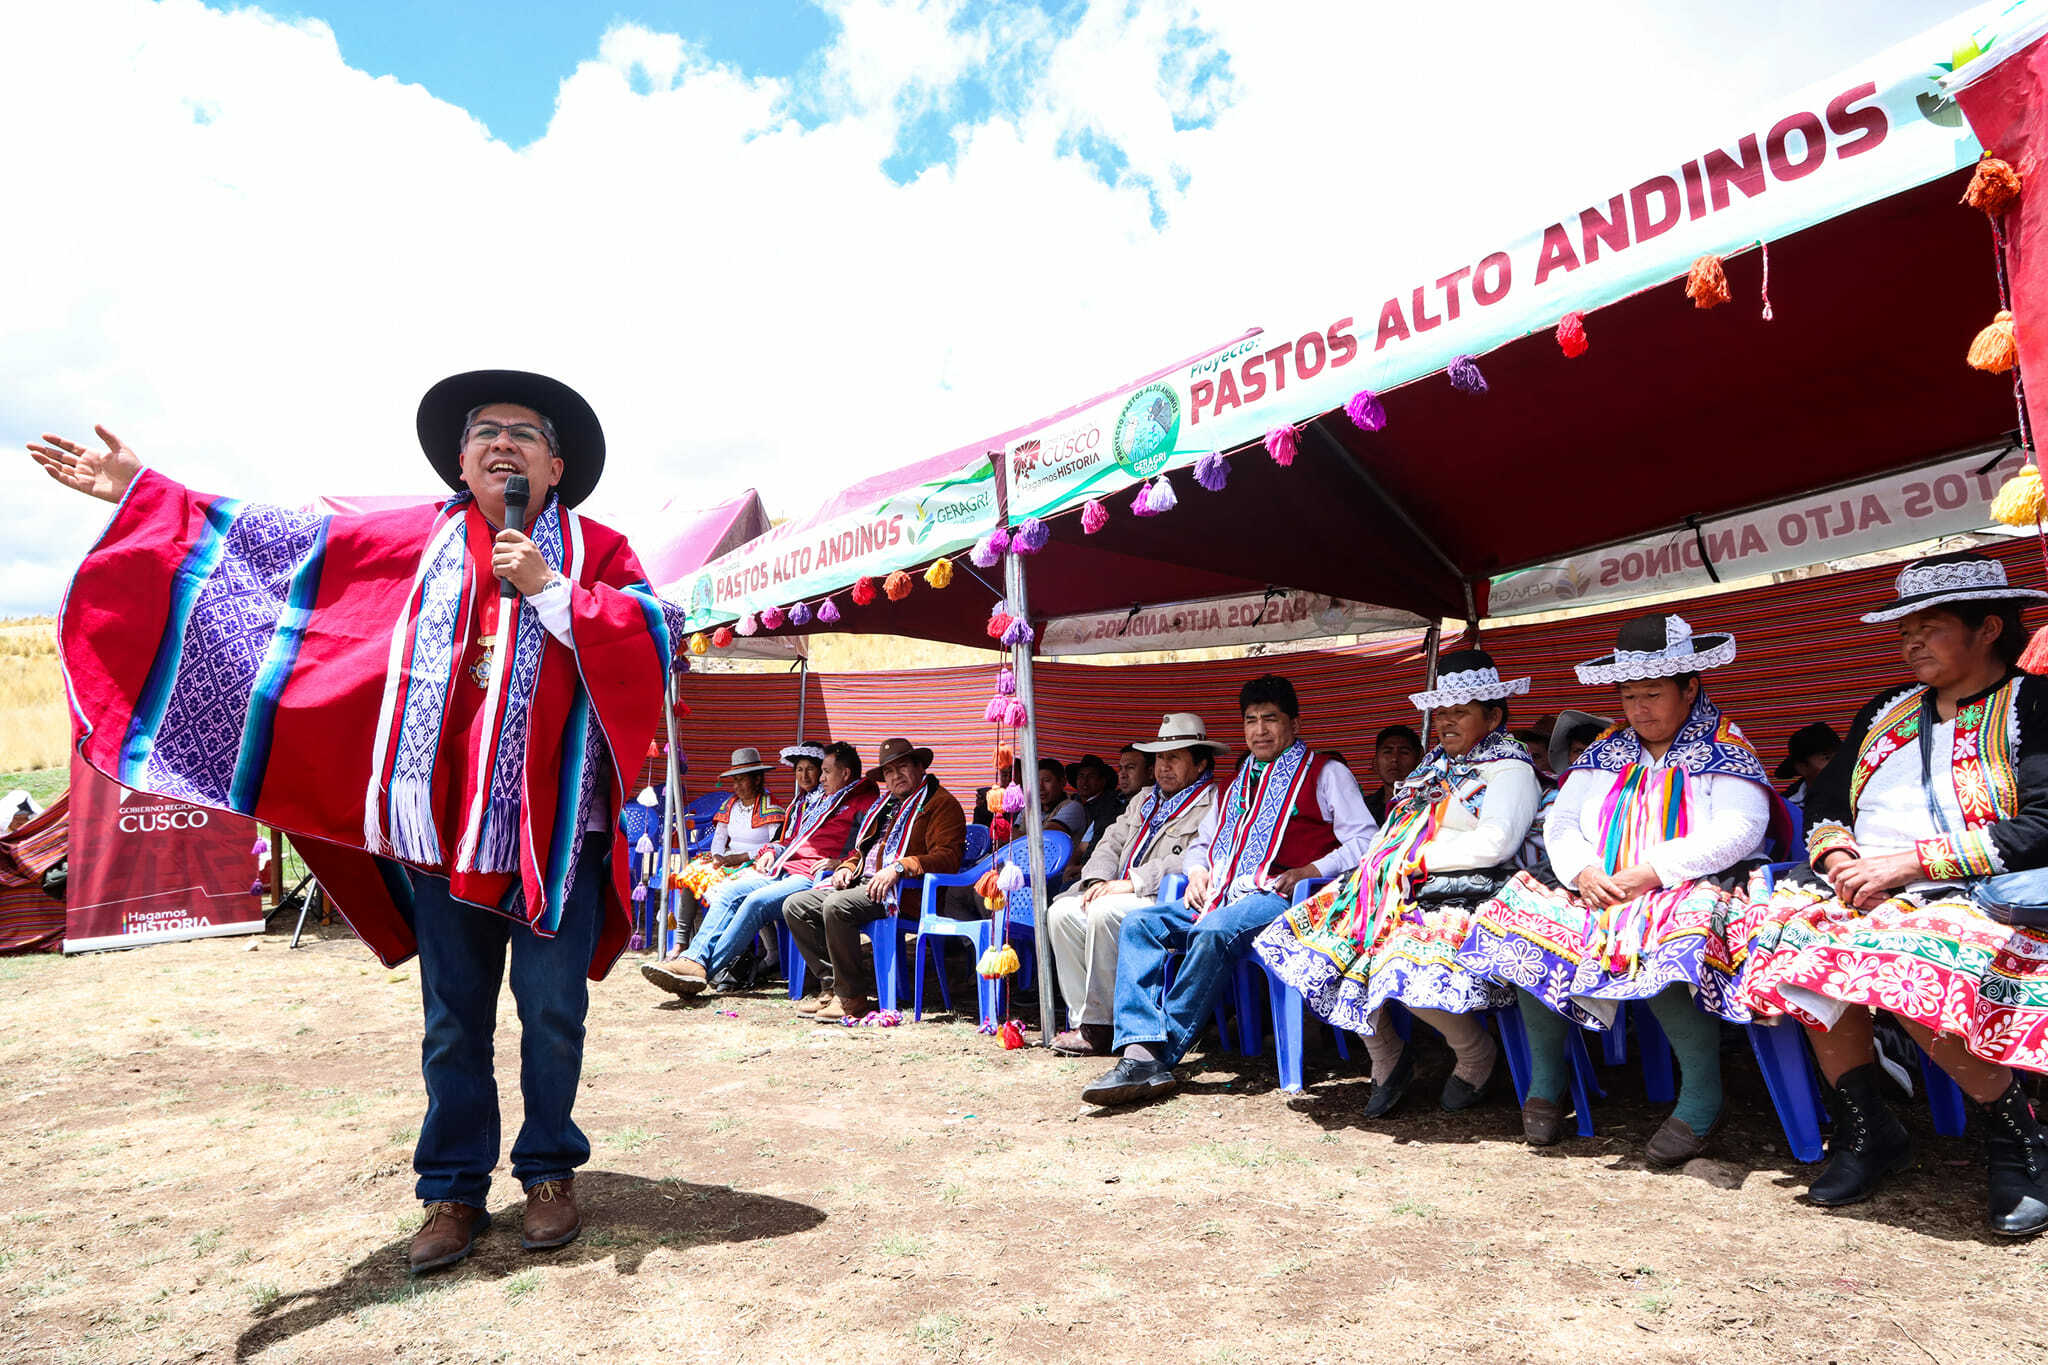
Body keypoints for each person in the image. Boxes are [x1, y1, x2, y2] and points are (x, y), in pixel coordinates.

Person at [33, 371, 680, 1272]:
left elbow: (658, 637)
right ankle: (453, 1191)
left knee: (552, 1013)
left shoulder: (599, 549)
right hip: (440, 841)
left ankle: (547, 1174)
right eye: (485, 431)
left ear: (558, 464)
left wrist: (553, 591)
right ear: (460, 460)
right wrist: (149, 495)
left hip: (555, 843)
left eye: (525, 433)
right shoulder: (407, 541)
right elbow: (270, 551)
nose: (503, 444)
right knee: (453, 1021)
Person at [1742, 553, 2048, 1234]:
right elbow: (1824, 800)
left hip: (1990, 894)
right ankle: (1869, 1126)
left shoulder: (2034, 705)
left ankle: (2019, 1136)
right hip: (1879, 890)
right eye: (1903, 628)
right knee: (1792, 933)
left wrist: (1909, 864)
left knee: (1896, 952)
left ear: (1988, 627)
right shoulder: (1887, 709)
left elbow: (2042, 826)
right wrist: (1842, 852)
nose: (1909, 641)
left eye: (1929, 627)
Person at [1459, 614, 1783, 1166]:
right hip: (1599, 882)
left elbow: (1741, 828)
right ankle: (1549, 1078)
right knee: (1523, 920)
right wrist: (1583, 871)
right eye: (1629, 695)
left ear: (1690, 687)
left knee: (1662, 930)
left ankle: (1703, 1094)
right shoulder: (1609, 747)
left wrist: (1650, 872)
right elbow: (1561, 821)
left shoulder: (1723, 744)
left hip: (1685, 880)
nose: (1638, 709)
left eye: (1653, 694)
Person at [1256, 650, 1541, 1115]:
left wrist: (1412, 860)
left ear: (1492, 715)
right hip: (1401, 888)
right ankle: (1385, 1050)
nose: (1446, 722)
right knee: (1316, 941)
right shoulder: (1433, 770)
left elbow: (1497, 843)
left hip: (1470, 893)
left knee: (1395, 957)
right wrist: (1381, 867)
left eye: (1460, 712)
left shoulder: (1510, 769)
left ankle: (1475, 1052)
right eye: (1442, 712)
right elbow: (1392, 833)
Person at [1081, 674, 1377, 1106]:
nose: (1260, 730)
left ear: (1294, 723)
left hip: (1282, 898)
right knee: (1140, 924)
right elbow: (1204, 842)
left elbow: (1366, 840)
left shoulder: (1327, 773)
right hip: (1221, 893)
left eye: (1271, 719)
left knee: (1213, 932)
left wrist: (1312, 868)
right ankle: (1140, 1045)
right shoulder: (1239, 782)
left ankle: (1157, 1057)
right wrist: (1198, 870)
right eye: (1251, 720)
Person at [1047, 714, 1224, 1056]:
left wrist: (1132, 883)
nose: (1163, 767)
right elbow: (1111, 841)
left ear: (1201, 763)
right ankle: (1085, 1019)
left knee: (1105, 911)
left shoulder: (1214, 802)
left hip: (1165, 898)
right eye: (1159, 757)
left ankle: (1105, 1026)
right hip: (1118, 888)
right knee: (1063, 911)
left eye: (1174, 757)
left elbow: (1196, 858)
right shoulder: (1145, 798)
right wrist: (1098, 879)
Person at [643, 741, 876, 998]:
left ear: (845, 774)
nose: (819, 778)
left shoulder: (864, 800)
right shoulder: (821, 801)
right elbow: (788, 839)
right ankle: (693, 958)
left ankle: (702, 970)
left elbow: (870, 845)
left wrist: (842, 862)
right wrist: (770, 852)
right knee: (729, 892)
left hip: (812, 876)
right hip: (783, 868)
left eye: (825, 772)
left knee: (755, 901)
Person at [783, 737, 966, 1022]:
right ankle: (833, 985)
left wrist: (901, 867)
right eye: (889, 772)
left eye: (902, 767)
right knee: (796, 905)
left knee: (836, 906)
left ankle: (852, 997)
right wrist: (846, 866)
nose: (896, 776)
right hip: (864, 884)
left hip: (902, 893)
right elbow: (864, 849)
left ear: (919, 767)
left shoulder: (941, 804)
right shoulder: (887, 806)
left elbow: (948, 857)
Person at [664, 749, 785, 947]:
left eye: (741, 780)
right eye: (734, 780)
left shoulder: (772, 807)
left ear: (756, 779)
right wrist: (717, 856)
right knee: (691, 877)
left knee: (742, 891)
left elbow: (776, 843)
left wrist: (742, 857)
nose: (736, 785)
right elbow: (719, 836)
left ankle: (769, 950)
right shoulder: (730, 805)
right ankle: (681, 942)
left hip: (758, 864)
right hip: (728, 860)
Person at [1365, 724, 1423, 824]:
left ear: (1419, 760)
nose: (1394, 759)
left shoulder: (1427, 803)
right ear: (1375, 763)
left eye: (1404, 752)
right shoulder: (1362, 808)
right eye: (1387, 752)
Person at [1775, 722, 1841, 807]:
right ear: (1802, 768)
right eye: (1827, 758)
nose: (1838, 763)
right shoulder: (1787, 808)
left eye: (1839, 756)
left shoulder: (1858, 795)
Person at [1073, 754, 1124, 842]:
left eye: (1091, 776)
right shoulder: (1072, 801)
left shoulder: (1110, 804)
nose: (1085, 781)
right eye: (1081, 776)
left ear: (1103, 781)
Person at [1547, 709, 1612, 776]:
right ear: (1569, 756)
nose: (1584, 758)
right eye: (1579, 752)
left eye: (1592, 752)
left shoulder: (1617, 784)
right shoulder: (1564, 786)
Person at [1038, 759, 1090, 840]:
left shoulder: (1073, 807)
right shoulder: (1028, 808)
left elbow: (1046, 838)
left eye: (1046, 780)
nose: (1040, 787)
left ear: (1062, 782)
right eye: (1036, 781)